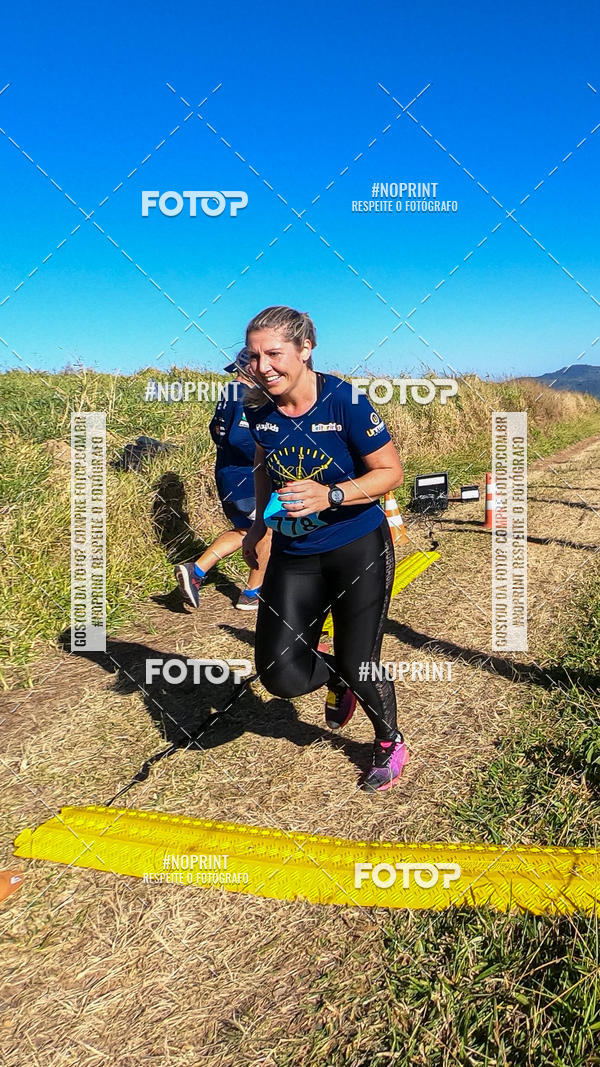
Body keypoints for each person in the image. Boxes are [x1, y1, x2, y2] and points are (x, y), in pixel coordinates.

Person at [242, 306, 409, 792]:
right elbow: (260, 466)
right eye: (254, 356)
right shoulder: (257, 407)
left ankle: (389, 741)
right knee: (280, 676)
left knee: (363, 660)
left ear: (305, 349)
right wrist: (258, 526)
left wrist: (331, 494)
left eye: (274, 353)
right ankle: (340, 675)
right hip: (295, 552)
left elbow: (390, 473)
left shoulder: (344, 402)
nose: (263, 366)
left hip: (356, 544)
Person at [175, 349, 272, 610]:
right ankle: (252, 594)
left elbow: (215, 431)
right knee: (267, 529)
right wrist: (271, 453)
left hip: (227, 475)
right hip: (246, 478)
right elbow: (238, 438)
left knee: (245, 531)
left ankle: (195, 571)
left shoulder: (228, 392)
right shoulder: (246, 396)